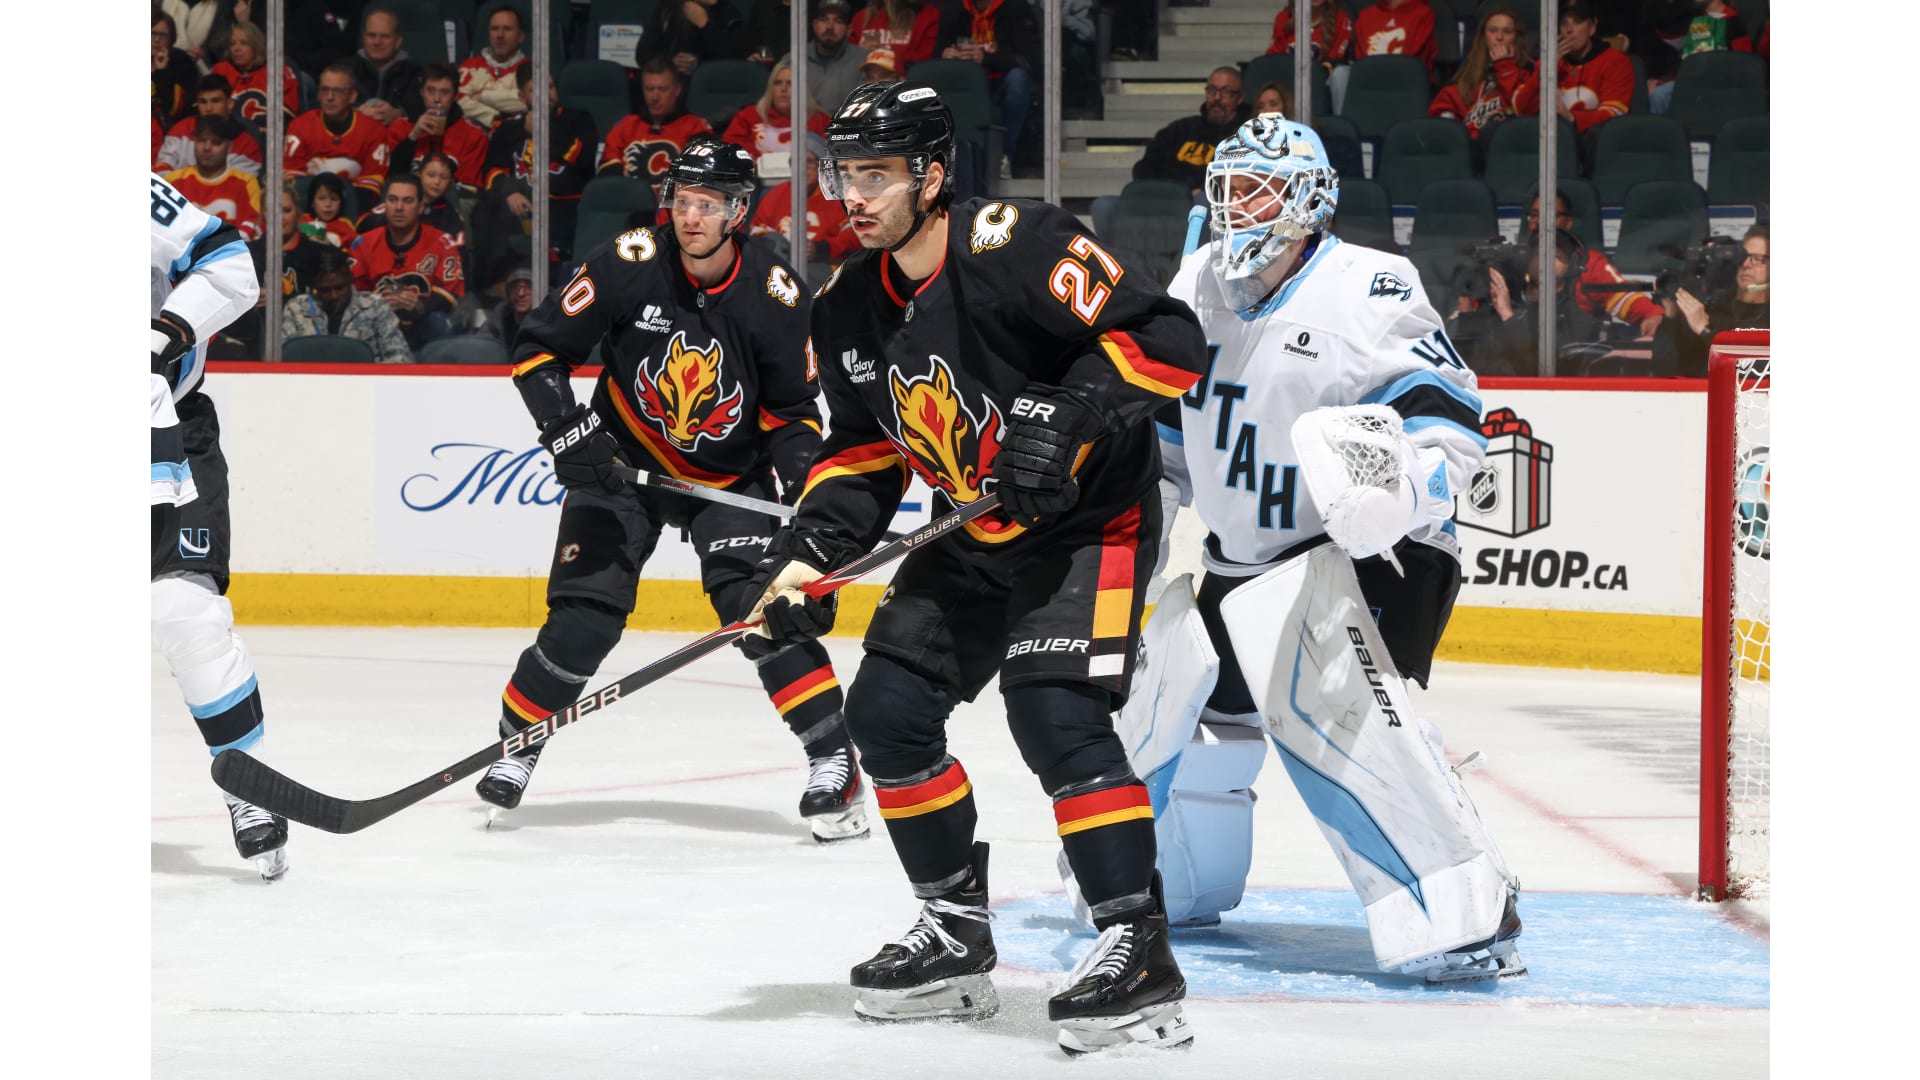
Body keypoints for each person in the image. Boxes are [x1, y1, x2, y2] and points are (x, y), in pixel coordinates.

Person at [741, 81, 1207, 1053]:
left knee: (1055, 713)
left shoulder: (1017, 245)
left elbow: (1169, 338)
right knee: (885, 713)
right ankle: (954, 930)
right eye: (844, 173)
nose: (854, 195)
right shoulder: (848, 305)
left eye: (877, 173)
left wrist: (1074, 409)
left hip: (1092, 523)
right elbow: (863, 452)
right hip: (973, 532)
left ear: (932, 174)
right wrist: (806, 559)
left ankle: (1137, 946)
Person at [1135, 115, 1524, 986]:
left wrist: (1398, 491)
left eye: (1259, 190)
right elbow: (1169, 434)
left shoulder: (1370, 287)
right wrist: (1137, 521)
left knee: (1337, 719)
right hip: (1241, 564)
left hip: (1368, 557)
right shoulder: (1197, 280)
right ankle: (1173, 884)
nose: (1237, 207)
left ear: (1309, 203)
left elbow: (1453, 428)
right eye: (1228, 189)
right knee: (1173, 707)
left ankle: (1465, 908)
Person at [476, 141, 869, 845]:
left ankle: (834, 760)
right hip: (620, 465)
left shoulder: (777, 295)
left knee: (762, 611)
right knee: (583, 618)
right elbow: (538, 351)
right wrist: (567, 431)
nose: (691, 217)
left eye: (708, 205)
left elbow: (792, 417)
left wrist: (805, 502)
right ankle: (519, 742)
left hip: (729, 478)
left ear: (738, 212)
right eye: (683, 201)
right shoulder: (628, 262)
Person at [149, 172, 284, 878]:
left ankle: (247, 786)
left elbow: (230, 266)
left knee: (186, 611)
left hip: (164, 431)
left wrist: (158, 337)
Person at [477, 73, 600, 284]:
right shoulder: (508, 129)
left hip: (564, 208)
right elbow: (491, 171)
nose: (546, 94)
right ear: (521, 97)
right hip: (519, 209)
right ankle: (493, 289)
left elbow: (582, 158)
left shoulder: (578, 120)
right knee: (484, 212)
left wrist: (543, 131)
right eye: (535, 90)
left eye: (550, 87)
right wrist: (510, 192)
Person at [349, 172, 466, 349]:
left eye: (408, 201)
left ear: (420, 207)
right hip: (375, 326)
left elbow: (452, 293)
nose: (399, 207)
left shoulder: (443, 243)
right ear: (385, 204)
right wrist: (377, 304)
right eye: (393, 200)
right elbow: (353, 295)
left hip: (425, 328)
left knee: (439, 322)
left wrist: (420, 306)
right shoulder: (363, 244)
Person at [219, 185, 333, 359]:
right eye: (272, 211)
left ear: (298, 212)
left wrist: (281, 298)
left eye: (286, 210)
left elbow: (332, 298)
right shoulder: (245, 253)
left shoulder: (320, 253)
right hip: (254, 340)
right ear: (263, 213)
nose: (280, 218)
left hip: (306, 339)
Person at [1526, 190, 1661, 335]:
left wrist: (1652, 315)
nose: (1539, 222)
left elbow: (1623, 299)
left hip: (1577, 345)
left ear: (1568, 222)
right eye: (1534, 215)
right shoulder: (1514, 260)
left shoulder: (1589, 263)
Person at [1514, 2, 1632, 164]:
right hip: (1547, 140)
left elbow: (1614, 114)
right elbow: (1521, 109)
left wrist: (1571, 116)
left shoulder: (1615, 61)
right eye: (1564, 23)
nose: (1569, 29)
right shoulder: (1547, 62)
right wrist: (1545, 70)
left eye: (1577, 22)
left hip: (1589, 144)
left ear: (1592, 29)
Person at [934, 0, 1037, 179]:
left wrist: (985, 58)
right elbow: (936, 51)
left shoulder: (1015, 7)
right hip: (966, 85)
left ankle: (1004, 156)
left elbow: (1029, 61)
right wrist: (944, 55)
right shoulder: (955, 9)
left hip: (999, 85)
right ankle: (945, 158)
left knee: (1018, 79)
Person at [1653, 223, 1767, 377]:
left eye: (1757, 259)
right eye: (1743, 257)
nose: (1746, 265)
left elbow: (1753, 373)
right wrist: (1670, 314)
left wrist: (1705, 330)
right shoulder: (1714, 309)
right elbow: (1664, 371)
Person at [1428, 5, 1538, 153]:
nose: (1499, 37)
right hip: (1468, 149)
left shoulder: (1529, 74)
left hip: (1509, 148)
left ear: (1516, 38)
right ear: (1484, 37)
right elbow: (1443, 108)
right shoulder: (1468, 76)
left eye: (1507, 31)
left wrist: (1505, 67)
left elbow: (1523, 109)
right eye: (1493, 30)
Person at [599, 57, 715, 194]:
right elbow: (608, 173)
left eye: (662, 89)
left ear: (677, 90)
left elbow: (698, 180)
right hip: (627, 201)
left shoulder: (695, 127)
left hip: (674, 203)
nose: (655, 97)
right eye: (649, 89)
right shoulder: (626, 125)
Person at [283, 248, 416, 363]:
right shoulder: (296, 308)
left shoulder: (376, 307)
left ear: (350, 279)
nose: (334, 296)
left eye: (340, 288)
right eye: (325, 290)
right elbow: (281, 359)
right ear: (314, 286)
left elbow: (402, 359)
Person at [1131, 66, 1249, 195]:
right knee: (1113, 202)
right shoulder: (1180, 128)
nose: (1217, 97)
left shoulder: (1245, 136)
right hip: (1167, 196)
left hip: (1211, 198)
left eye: (1226, 92)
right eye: (1212, 90)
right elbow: (1145, 166)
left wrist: (1202, 190)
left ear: (1239, 98)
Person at [748, 131, 858, 267]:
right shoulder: (777, 194)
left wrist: (821, 249)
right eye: (796, 162)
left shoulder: (837, 196)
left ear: (822, 165)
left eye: (809, 161)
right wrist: (778, 245)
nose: (802, 168)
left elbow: (854, 234)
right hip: (782, 267)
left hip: (825, 269)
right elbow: (756, 229)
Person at [286, 61, 394, 199]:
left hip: (356, 207)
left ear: (352, 96)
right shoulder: (299, 126)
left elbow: (370, 189)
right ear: (318, 94)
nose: (330, 97)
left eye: (338, 91)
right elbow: (293, 182)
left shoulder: (374, 131)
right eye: (325, 90)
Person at [721, 57, 830, 182]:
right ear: (770, 88)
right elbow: (730, 151)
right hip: (757, 183)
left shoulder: (820, 120)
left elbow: (829, 159)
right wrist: (755, 160)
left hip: (805, 184)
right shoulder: (748, 116)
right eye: (777, 83)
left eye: (790, 83)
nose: (783, 89)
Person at [390, 62, 491, 191]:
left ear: (455, 96)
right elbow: (392, 176)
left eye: (444, 92)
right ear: (421, 92)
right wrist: (413, 137)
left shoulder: (474, 135)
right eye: (431, 90)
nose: (436, 99)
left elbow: (468, 190)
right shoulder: (400, 128)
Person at [165, 116, 264, 240]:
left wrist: (218, 246)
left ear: (229, 146)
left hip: (229, 251)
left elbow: (253, 224)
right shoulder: (173, 181)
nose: (207, 147)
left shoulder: (246, 182)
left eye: (215, 142)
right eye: (201, 140)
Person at [156, 74, 265, 178]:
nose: (208, 108)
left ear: (230, 104)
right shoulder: (181, 129)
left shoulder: (247, 143)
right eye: (203, 102)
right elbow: (162, 169)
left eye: (215, 101)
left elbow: (241, 185)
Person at [211, 20, 299, 125]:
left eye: (243, 43)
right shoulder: (221, 70)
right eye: (232, 44)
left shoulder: (278, 71)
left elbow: (287, 114)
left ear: (256, 46)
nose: (236, 48)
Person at [349, 6, 424, 127]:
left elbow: (424, 108)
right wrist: (354, 114)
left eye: (384, 36)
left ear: (398, 41)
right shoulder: (344, 70)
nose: (377, 42)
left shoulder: (416, 73)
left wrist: (399, 114)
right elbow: (328, 106)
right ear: (364, 38)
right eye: (371, 35)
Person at [458, 3, 531, 128]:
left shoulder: (531, 69)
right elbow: (457, 101)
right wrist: (495, 117)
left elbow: (529, 102)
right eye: (494, 29)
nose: (500, 35)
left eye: (507, 29)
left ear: (520, 36)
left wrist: (482, 96)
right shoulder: (470, 66)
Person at [797, 1, 872, 116]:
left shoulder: (865, 61)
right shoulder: (795, 59)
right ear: (815, 25)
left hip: (846, 125)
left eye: (838, 21)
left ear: (849, 30)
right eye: (824, 20)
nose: (830, 27)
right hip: (804, 125)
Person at [646, 0, 750, 77]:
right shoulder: (669, 9)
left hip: (712, 88)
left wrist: (705, 25)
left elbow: (733, 63)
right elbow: (643, 52)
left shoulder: (730, 15)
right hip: (673, 86)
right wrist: (670, 61)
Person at [850, 1, 939, 68]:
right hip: (865, 80)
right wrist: (859, 52)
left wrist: (887, 55)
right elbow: (848, 55)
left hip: (907, 81)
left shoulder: (929, 16)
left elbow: (928, 57)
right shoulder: (861, 18)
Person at [1354, 0, 1437, 72]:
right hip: (1369, 80)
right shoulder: (1365, 15)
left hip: (1406, 80)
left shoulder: (1423, 14)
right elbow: (1361, 62)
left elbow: (1411, 61)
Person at [1266, 0, 1354, 64]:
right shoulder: (1284, 18)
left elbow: (1337, 59)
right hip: (1288, 76)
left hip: (1325, 78)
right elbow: (1274, 56)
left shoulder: (1342, 19)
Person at [153, 12, 202, 125]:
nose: (156, 39)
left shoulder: (181, 62)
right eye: (152, 33)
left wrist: (162, 71)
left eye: (162, 35)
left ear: (171, 39)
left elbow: (176, 109)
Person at [302, 172, 359, 249]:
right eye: (322, 199)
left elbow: (356, 247)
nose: (328, 204)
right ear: (312, 202)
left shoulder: (344, 225)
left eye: (334, 199)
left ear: (341, 203)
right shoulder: (302, 220)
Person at [482, 265, 536, 344]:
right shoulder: (500, 317)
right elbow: (483, 343)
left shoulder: (547, 322)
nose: (521, 293)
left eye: (528, 287)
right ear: (508, 293)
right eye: (515, 287)